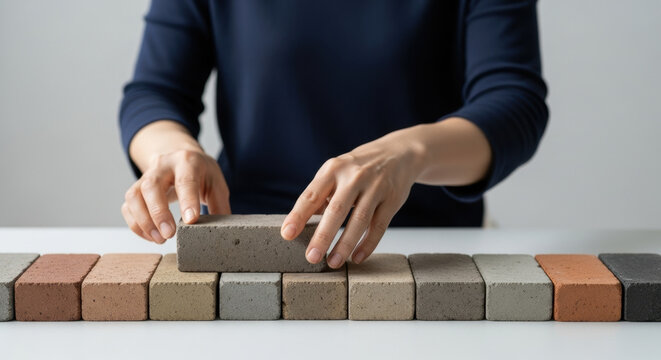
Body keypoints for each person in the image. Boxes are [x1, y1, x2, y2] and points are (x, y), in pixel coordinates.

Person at [119, 0, 548, 270]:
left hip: (424, 246)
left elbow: (514, 101)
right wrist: (173, 151)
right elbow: (155, 92)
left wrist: (410, 151)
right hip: (246, 243)